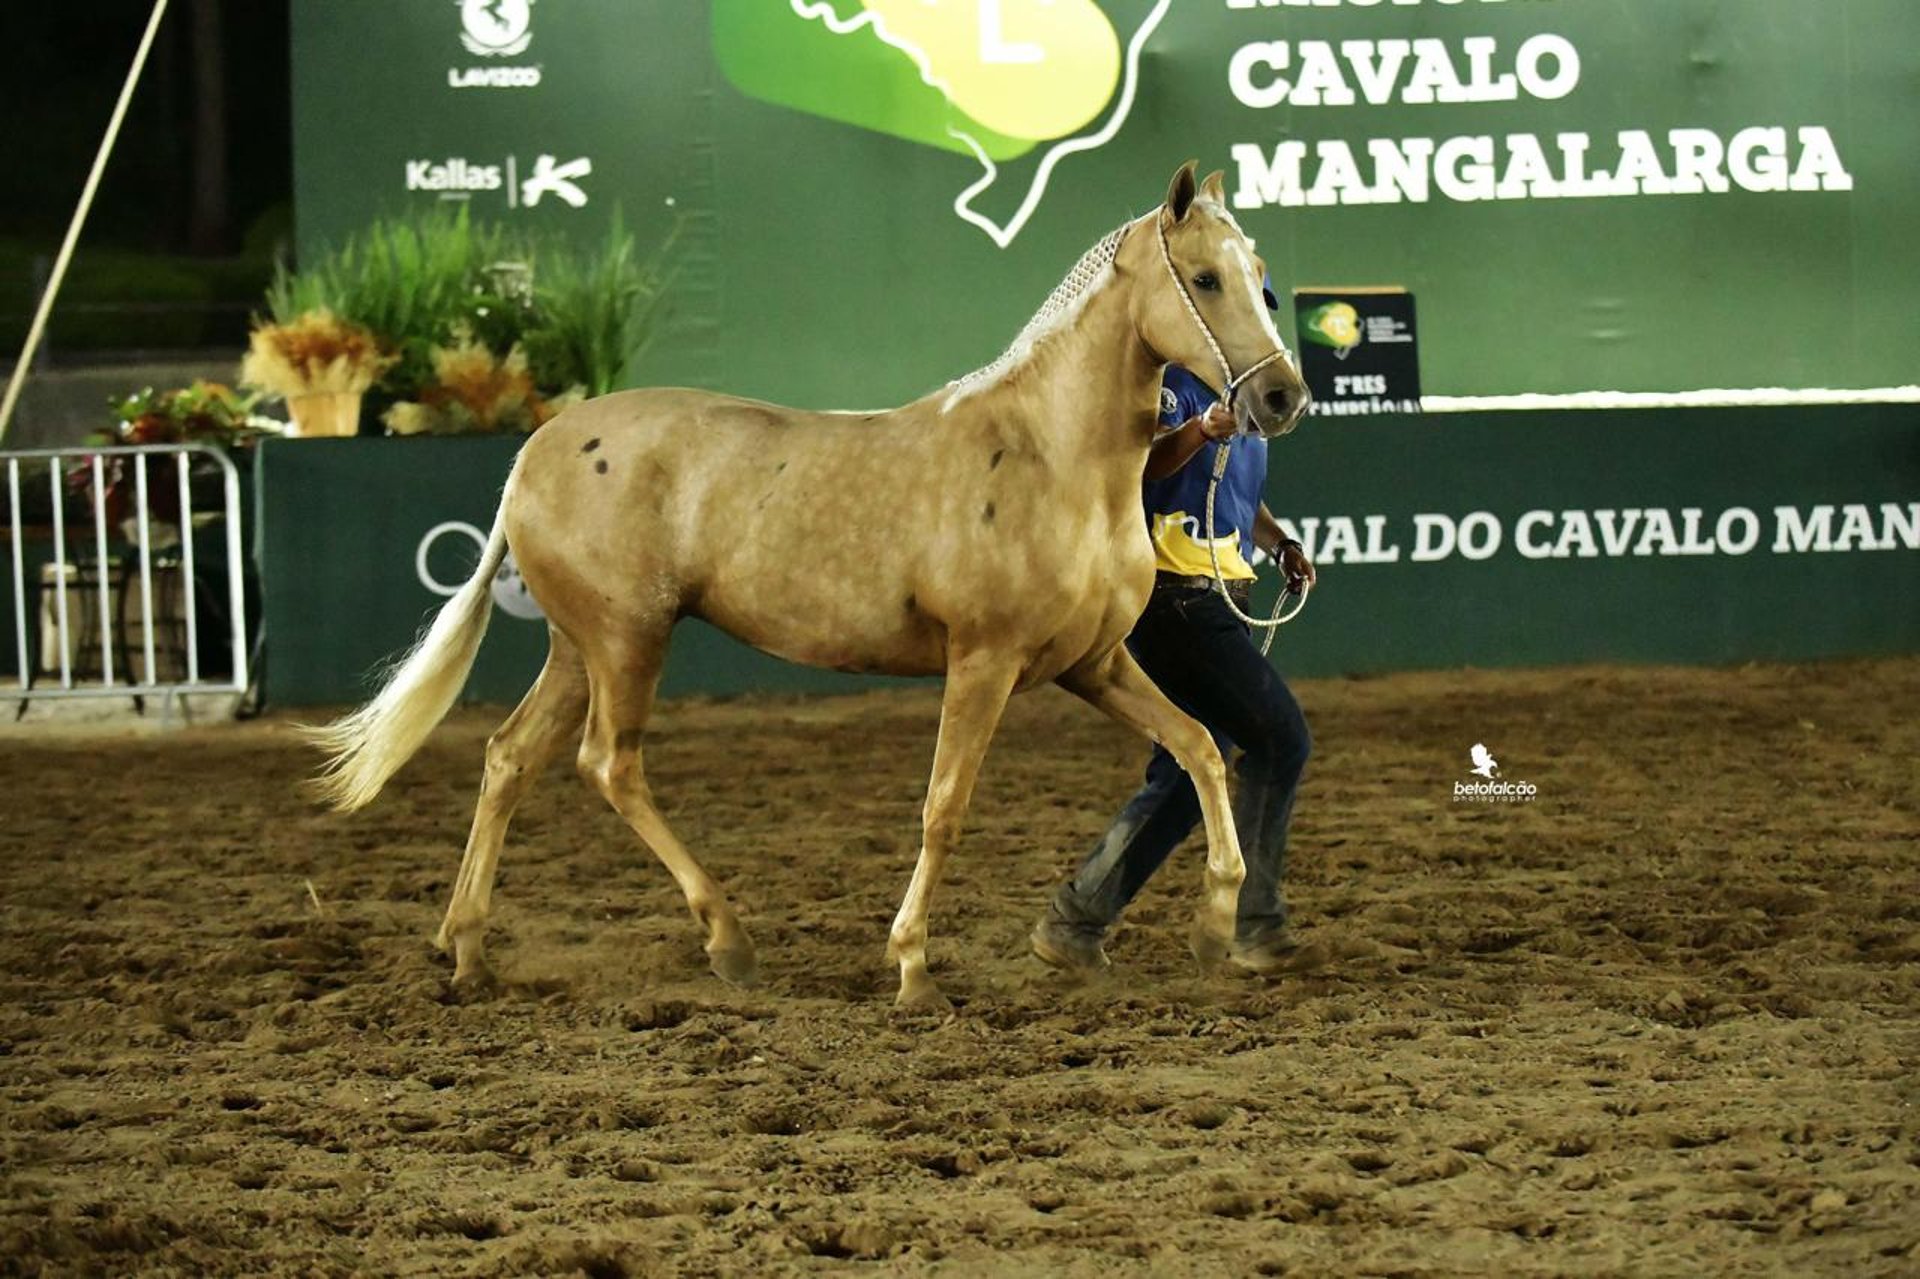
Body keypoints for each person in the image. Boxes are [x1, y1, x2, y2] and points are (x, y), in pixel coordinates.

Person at [1031, 355, 1319, 976]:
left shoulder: (1241, 396)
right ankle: (1256, 926)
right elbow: (1141, 467)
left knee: (1190, 771)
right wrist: (1200, 430)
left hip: (1218, 589)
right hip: (1171, 594)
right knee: (1280, 739)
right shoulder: (1169, 389)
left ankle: (1075, 921)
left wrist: (1279, 543)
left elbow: (1243, 493)